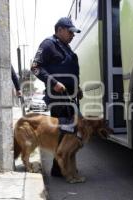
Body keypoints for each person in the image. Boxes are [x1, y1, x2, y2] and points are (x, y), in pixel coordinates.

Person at [31, 17, 83, 177]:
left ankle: (61, 166)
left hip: (69, 98)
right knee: (63, 132)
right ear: (59, 29)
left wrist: (77, 88)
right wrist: (53, 82)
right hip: (58, 97)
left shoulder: (66, 47)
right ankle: (59, 168)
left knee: (70, 133)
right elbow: (35, 67)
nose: (72, 35)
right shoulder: (48, 44)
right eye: (70, 32)